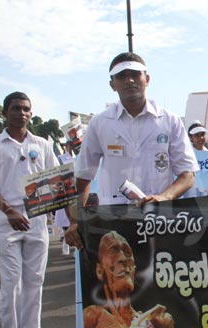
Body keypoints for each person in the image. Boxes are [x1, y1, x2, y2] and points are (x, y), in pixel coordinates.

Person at [65, 52, 199, 250]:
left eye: (135, 74)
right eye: (121, 76)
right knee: (118, 275)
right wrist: (75, 221)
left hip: (159, 219)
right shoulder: (100, 123)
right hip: (113, 219)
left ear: (147, 79)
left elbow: (187, 175)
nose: (129, 80)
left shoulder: (169, 121)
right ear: (112, 84)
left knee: (159, 275)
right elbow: (82, 178)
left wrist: (164, 197)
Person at [0, 92, 58, 328]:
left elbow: (56, 180)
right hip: (6, 217)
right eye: (15, 109)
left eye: (26, 109)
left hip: (36, 219)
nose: (21, 113)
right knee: (11, 282)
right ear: (5, 113)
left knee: (34, 281)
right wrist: (9, 211)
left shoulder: (43, 144)